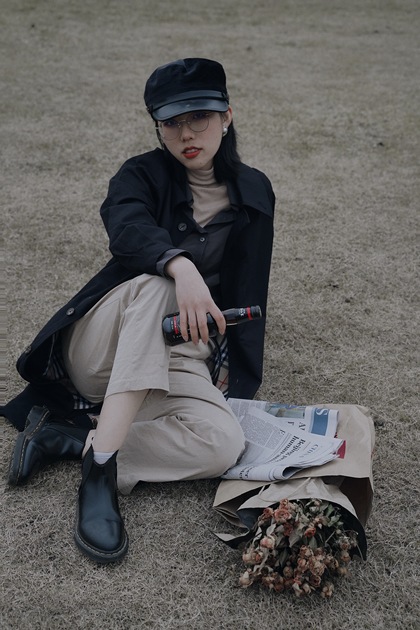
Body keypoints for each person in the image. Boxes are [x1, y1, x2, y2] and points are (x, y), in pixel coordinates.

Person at [2, 58, 275, 563]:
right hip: (103, 351)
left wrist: (232, 368)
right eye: (172, 122)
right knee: (157, 285)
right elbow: (127, 230)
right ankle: (99, 473)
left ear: (227, 117)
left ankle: (72, 439)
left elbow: (249, 280)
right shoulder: (140, 174)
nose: (186, 134)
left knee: (222, 443)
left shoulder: (254, 191)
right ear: (158, 128)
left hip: (175, 359)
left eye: (200, 117)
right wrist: (181, 267)